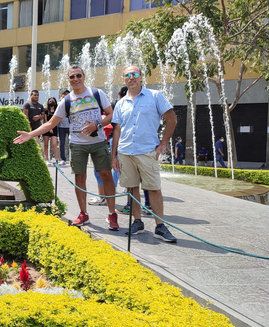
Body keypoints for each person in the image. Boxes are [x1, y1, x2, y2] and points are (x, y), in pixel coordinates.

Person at [15, 66, 119, 231]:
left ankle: (112, 214)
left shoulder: (97, 93)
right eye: (72, 77)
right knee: (80, 178)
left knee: (106, 175)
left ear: (84, 76)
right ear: (69, 80)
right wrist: (31, 134)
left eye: (78, 75)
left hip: (98, 141)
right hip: (78, 144)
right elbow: (51, 123)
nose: (76, 79)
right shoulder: (67, 100)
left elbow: (111, 114)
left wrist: (97, 124)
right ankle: (83, 213)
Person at [111, 65, 178, 243]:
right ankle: (137, 222)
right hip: (125, 152)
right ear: (123, 78)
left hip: (147, 151)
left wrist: (163, 144)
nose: (131, 78)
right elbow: (117, 130)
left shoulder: (154, 96)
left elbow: (172, 119)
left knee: (154, 188)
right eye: (127, 75)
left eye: (134, 74)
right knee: (132, 188)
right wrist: (114, 155)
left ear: (141, 77)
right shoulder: (121, 103)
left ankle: (160, 226)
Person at [42, 97, 61, 166]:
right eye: (50, 101)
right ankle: (47, 159)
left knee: (54, 144)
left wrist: (52, 128)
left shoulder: (57, 111)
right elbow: (45, 121)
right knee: (46, 144)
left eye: (53, 101)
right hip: (46, 128)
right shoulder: (46, 111)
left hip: (54, 128)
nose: (51, 102)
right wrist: (49, 128)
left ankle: (56, 159)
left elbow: (57, 120)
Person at [57, 89, 70, 165]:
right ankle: (63, 159)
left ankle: (73, 158)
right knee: (62, 143)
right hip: (61, 127)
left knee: (72, 142)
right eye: (64, 94)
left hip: (70, 126)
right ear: (61, 95)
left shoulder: (72, 102)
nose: (66, 95)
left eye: (67, 94)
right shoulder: (59, 103)